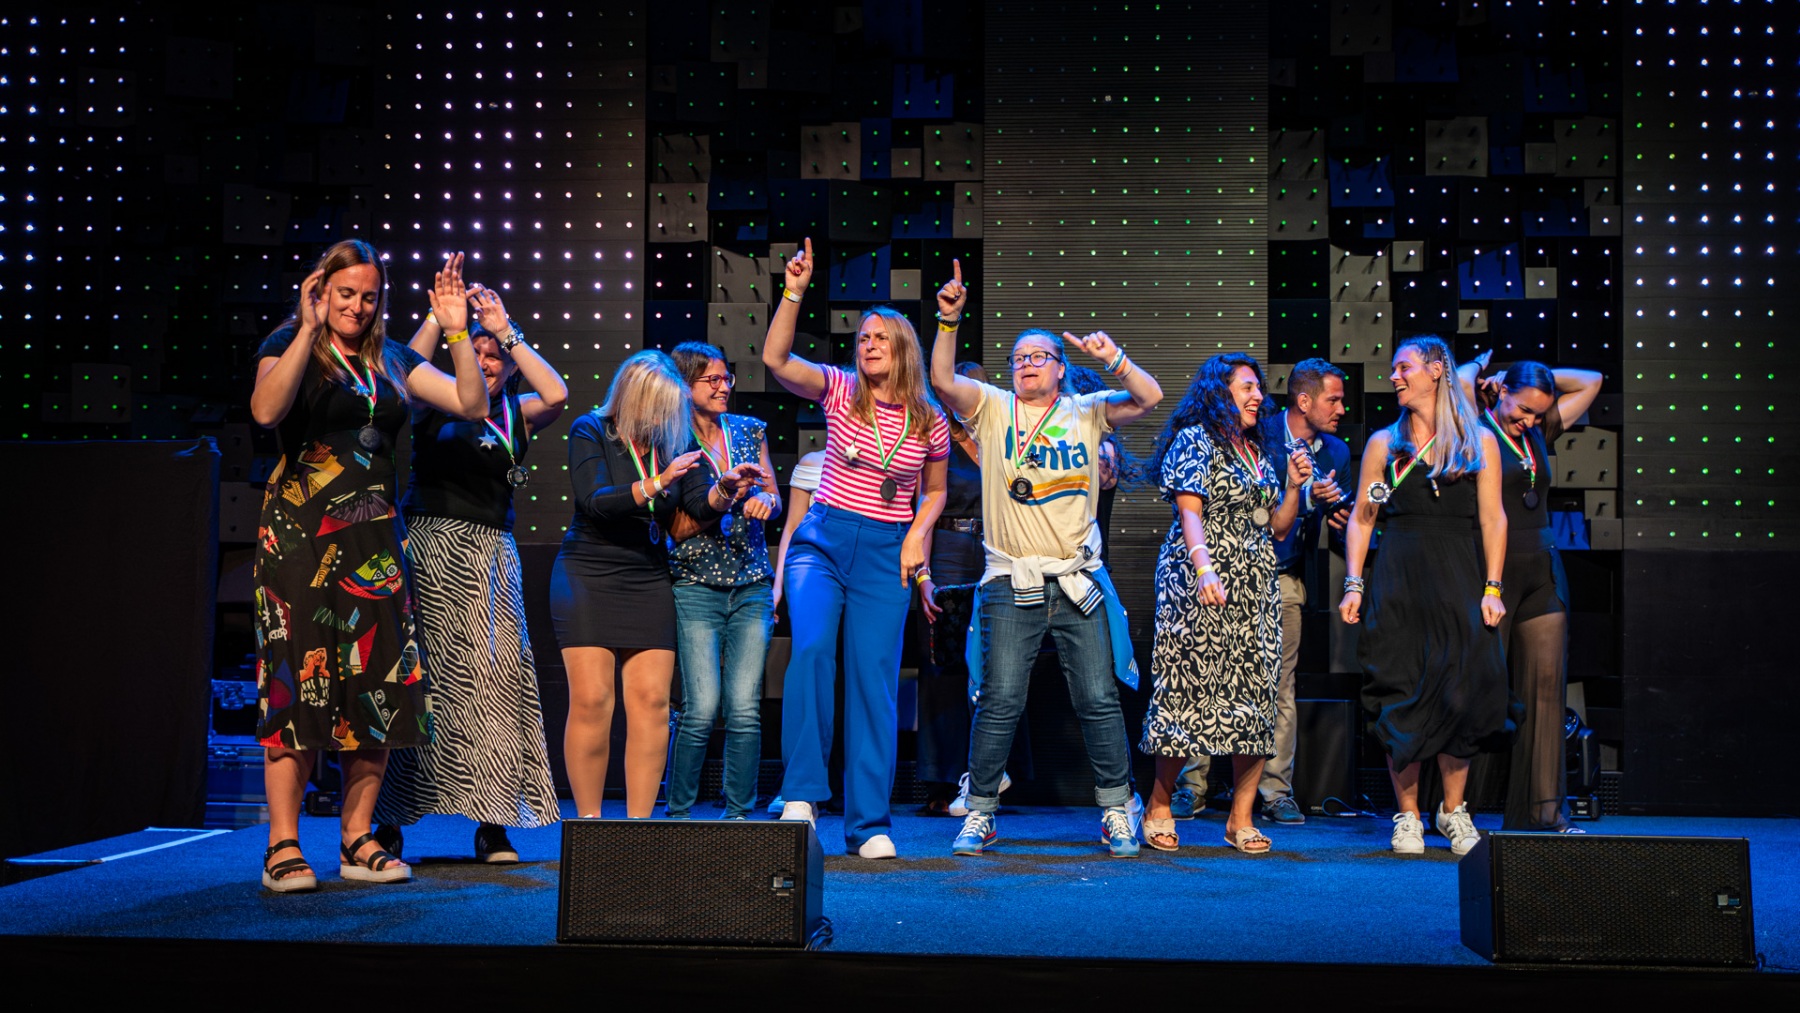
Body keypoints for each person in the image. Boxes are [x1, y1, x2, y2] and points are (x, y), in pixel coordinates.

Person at [249, 242, 488, 891]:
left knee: (375, 685)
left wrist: (457, 330)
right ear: (321, 289)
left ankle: (357, 837)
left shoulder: (392, 358)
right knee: (298, 681)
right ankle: (282, 843)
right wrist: (307, 328)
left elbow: (471, 403)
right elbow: (266, 411)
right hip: (300, 537)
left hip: (376, 541)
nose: (357, 306)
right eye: (345, 293)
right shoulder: (288, 342)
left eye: (369, 296)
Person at [930, 263, 1165, 858]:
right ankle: (980, 811)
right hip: (1010, 576)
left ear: (1060, 367)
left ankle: (1116, 809)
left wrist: (1115, 359)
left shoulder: (1086, 411)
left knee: (1098, 699)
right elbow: (942, 379)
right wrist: (949, 321)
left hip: (1077, 577)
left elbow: (1150, 397)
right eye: (1019, 358)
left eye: (1039, 356)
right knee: (999, 699)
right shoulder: (993, 407)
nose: (1027, 364)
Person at [762, 238, 949, 859]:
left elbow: (935, 492)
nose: (867, 344)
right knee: (813, 650)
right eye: (863, 336)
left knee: (873, 681)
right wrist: (793, 291)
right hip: (823, 541)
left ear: (903, 349)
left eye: (880, 338)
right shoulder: (841, 389)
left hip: (887, 554)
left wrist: (917, 540)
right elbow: (776, 359)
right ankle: (801, 795)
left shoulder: (929, 419)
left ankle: (869, 824)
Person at [369, 285, 567, 863]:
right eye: (476, 352)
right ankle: (388, 820)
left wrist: (506, 331)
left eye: (494, 356)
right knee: (418, 680)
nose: (485, 362)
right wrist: (440, 318)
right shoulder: (436, 400)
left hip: (490, 556)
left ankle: (493, 825)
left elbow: (557, 393)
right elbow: (400, 371)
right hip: (429, 548)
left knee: (495, 684)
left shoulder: (518, 412)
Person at [550, 351, 765, 819]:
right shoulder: (592, 429)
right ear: (636, 397)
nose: (669, 416)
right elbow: (595, 501)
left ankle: (639, 827)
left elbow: (699, 505)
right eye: (662, 405)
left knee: (651, 702)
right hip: (589, 572)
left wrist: (725, 489)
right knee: (593, 700)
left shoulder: (674, 439)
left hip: (647, 575)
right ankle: (588, 825)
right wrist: (656, 482)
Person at [1339, 335, 1508, 856]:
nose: (1394, 376)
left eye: (1403, 367)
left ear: (1436, 371)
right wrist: (1353, 582)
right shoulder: (1384, 445)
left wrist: (1493, 587)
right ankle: (1408, 815)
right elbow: (1363, 519)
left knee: (1461, 694)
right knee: (1401, 693)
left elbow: (1493, 519)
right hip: (1399, 579)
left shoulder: (1480, 442)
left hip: (1458, 579)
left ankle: (1453, 811)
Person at [1138, 354, 1311, 854]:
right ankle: (1159, 805)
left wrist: (1294, 486)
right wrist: (1204, 568)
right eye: (1248, 387)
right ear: (1220, 392)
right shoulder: (1195, 439)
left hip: (1255, 585)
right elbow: (1190, 512)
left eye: (1259, 388)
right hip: (1198, 580)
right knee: (1186, 693)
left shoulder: (1256, 449)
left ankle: (1241, 818)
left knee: (1254, 698)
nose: (1259, 396)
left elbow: (1277, 527)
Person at [1169, 358, 1352, 827]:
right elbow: (1202, 508)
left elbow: (1282, 519)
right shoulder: (1256, 434)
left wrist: (1332, 510)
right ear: (1304, 400)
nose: (1341, 409)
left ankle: (1273, 791)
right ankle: (1192, 786)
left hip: (1278, 576)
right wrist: (1205, 567)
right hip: (1215, 572)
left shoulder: (1336, 452)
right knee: (1203, 677)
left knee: (1275, 685)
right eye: (1333, 399)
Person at [1458, 353, 1603, 832]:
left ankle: (1544, 812)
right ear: (1501, 393)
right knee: (1482, 688)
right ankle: (1458, 811)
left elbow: (1592, 379)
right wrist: (1489, 375)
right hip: (1490, 572)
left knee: (1545, 692)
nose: (1529, 421)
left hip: (1542, 570)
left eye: (1538, 413)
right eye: (1522, 409)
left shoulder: (1538, 429)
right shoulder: (1475, 427)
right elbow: (1457, 383)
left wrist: (1538, 379)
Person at [664, 342, 782, 820]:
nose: (723, 386)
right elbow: (674, 522)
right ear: (683, 385)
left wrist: (766, 501)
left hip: (751, 583)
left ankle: (738, 817)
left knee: (744, 708)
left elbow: (774, 493)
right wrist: (728, 493)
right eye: (711, 379)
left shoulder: (749, 430)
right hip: (696, 585)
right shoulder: (672, 439)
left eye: (726, 377)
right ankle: (678, 815)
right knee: (701, 707)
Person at [917, 360, 1000, 816]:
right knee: (944, 664)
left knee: (993, 665)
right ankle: (941, 779)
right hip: (947, 550)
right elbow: (923, 508)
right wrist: (923, 573)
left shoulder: (999, 439)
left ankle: (989, 775)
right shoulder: (936, 440)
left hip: (994, 551)